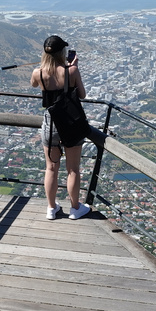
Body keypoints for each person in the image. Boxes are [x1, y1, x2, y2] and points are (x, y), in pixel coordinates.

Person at [30, 35, 92, 220]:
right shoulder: (71, 71)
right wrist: (74, 67)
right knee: (73, 169)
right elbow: (82, 95)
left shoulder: (37, 72)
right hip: (70, 123)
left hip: (50, 124)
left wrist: (44, 67)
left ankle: (51, 208)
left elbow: (34, 84)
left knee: (51, 168)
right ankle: (75, 208)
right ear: (62, 52)